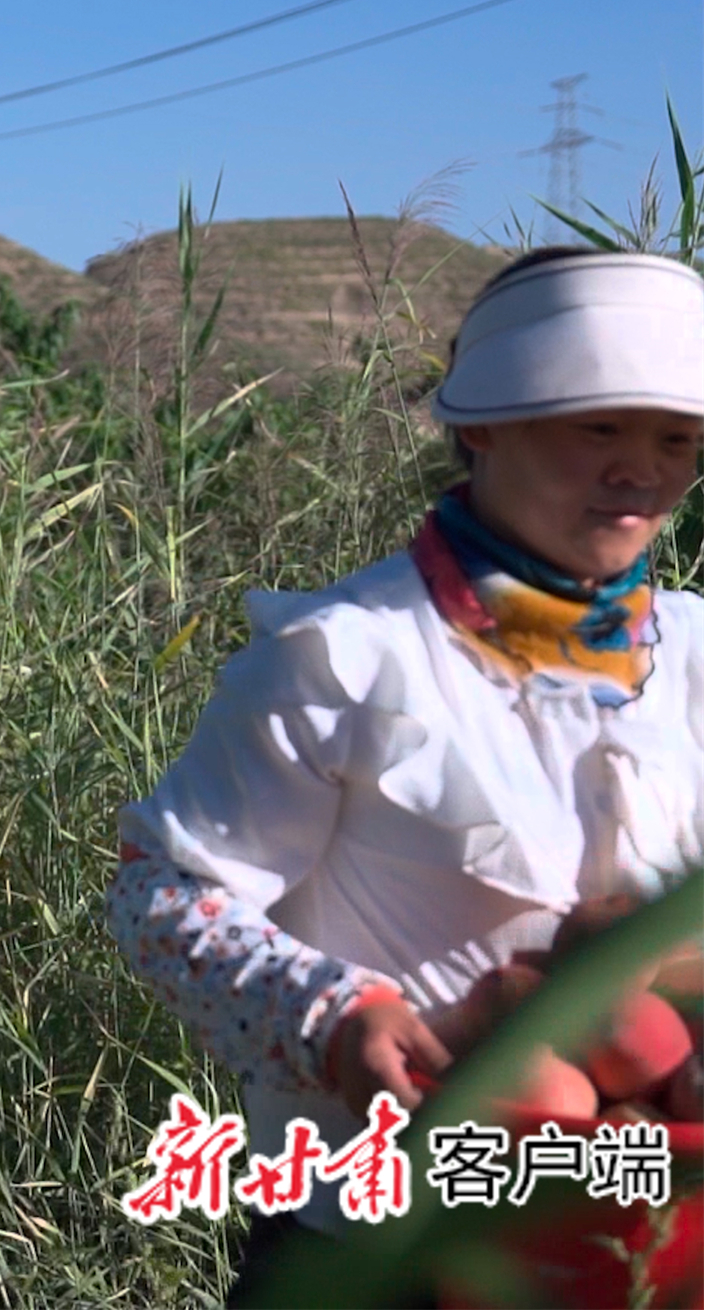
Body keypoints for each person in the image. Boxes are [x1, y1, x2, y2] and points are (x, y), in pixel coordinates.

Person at [106, 249, 704, 1301]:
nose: (639, 470)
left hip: (643, 1235)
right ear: (481, 425)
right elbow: (164, 897)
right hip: (381, 1242)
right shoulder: (347, 654)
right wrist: (333, 1017)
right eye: (596, 427)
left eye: (676, 439)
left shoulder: (691, 656)